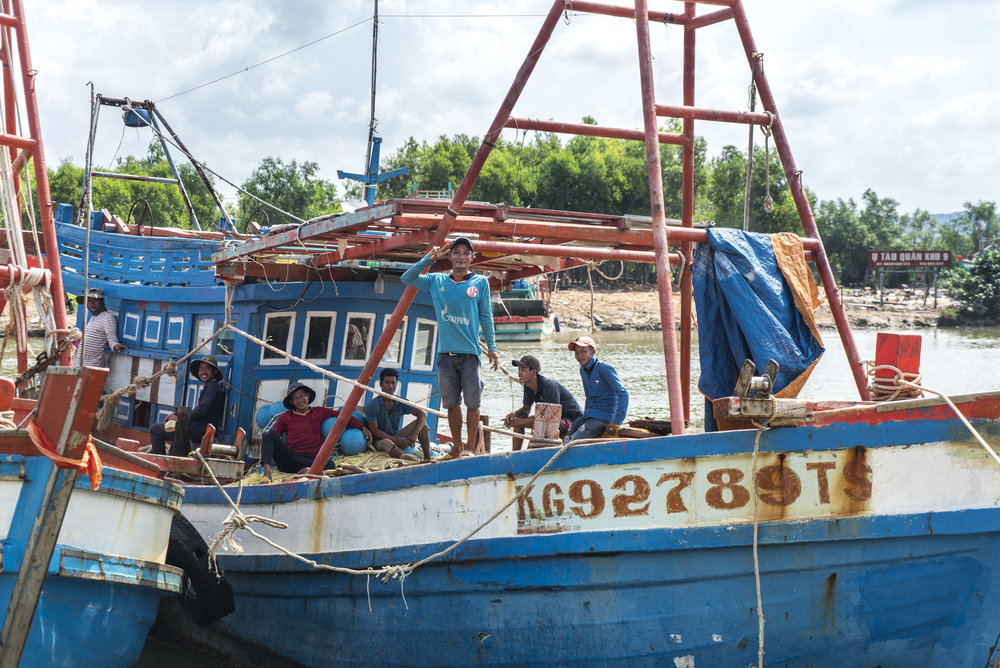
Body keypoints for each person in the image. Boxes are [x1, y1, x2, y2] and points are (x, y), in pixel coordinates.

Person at [401, 236, 500, 457]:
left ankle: (470, 449)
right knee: (451, 404)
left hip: (470, 355)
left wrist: (492, 346)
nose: (461, 257)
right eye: (457, 252)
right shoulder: (436, 280)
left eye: (466, 253)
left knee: (473, 403)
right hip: (445, 355)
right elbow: (407, 278)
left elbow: (486, 315)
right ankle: (456, 448)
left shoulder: (480, 283)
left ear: (472, 257)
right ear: (450, 256)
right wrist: (428, 259)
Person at [259, 382, 371, 481]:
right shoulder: (285, 417)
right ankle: (267, 474)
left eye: (302, 396)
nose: (300, 400)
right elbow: (273, 436)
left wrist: (362, 428)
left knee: (330, 465)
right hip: (291, 460)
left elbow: (343, 416)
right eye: (295, 398)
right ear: (292, 402)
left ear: (307, 396)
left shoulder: (319, 412)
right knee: (267, 433)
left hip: (312, 461)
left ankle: (308, 471)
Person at [150, 355, 226, 456]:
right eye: (201, 369)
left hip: (200, 430)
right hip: (197, 428)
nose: (203, 372)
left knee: (155, 429)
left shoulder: (212, 386)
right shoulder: (210, 386)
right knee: (175, 429)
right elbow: (199, 409)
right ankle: (172, 457)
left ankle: (159, 462)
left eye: (207, 369)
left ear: (214, 372)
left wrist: (180, 418)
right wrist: (177, 414)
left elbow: (202, 410)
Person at [503, 355, 583, 450]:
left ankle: (530, 454)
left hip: (571, 419)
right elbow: (526, 410)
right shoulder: (527, 386)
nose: (519, 373)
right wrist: (514, 414)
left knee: (538, 425)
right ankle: (515, 454)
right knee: (519, 419)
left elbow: (550, 418)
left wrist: (518, 422)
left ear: (533, 371)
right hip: (550, 417)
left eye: (523, 370)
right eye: (519, 370)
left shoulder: (549, 386)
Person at [564, 336, 629, 444]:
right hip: (589, 416)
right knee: (567, 435)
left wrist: (616, 421)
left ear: (593, 352)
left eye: (583, 351)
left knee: (571, 442)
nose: (579, 356)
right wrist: (585, 417)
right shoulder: (583, 370)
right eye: (576, 353)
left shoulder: (604, 368)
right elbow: (589, 396)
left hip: (602, 418)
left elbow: (623, 393)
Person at [365, 368, 431, 461]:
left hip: (395, 436)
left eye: (393, 383)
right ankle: (409, 462)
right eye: (387, 382)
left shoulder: (399, 401)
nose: (390, 386)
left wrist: (414, 434)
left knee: (423, 426)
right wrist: (396, 440)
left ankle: (428, 459)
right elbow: (374, 430)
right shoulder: (373, 405)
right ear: (381, 384)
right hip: (378, 441)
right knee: (387, 442)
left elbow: (422, 414)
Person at [75, 288, 126, 367]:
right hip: (82, 365)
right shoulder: (94, 318)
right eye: (89, 301)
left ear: (102, 301)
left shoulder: (107, 317)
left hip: (93, 366)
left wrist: (115, 346)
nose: (92, 303)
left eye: (95, 300)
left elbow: (112, 338)